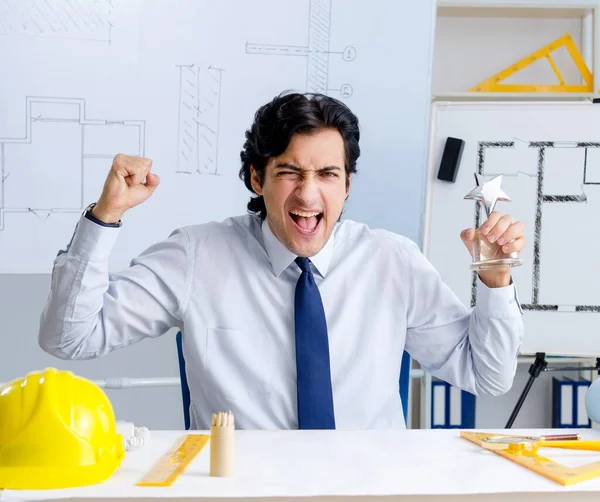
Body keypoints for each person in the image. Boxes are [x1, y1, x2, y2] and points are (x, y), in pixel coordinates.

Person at [39, 91, 525, 430]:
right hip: (241, 491)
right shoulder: (197, 255)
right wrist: (105, 217)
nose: (309, 194)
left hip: (366, 489)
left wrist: (496, 279)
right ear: (256, 178)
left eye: (328, 174)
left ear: (348, 184)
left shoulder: (391, 261)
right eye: (290, 172)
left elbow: (487, 374)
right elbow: (68, 338)